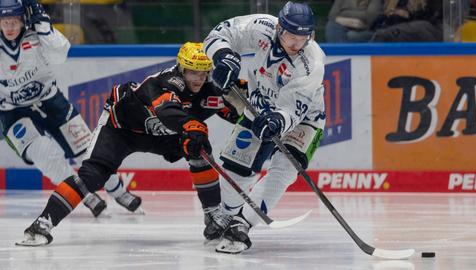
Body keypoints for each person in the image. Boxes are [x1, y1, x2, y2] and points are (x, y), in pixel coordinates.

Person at [16, 42, 242, 246]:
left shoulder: (212, 88)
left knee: (200, 150)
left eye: (203, 73)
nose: (198, 79)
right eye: (193, 72)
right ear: (181, 69)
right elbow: (167, 111)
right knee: (92, 175)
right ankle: (43, 223)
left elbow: (238, 109)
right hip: (120, 129)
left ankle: (213, 215)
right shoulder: (163, 83)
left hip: (162, 135)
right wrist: (192, 127)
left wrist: (249, 105)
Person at [203, 1, 326, 254]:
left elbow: (294, 107)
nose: (296, 44)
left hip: (304, 118)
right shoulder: (262, 26)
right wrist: (222, 56)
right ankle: (227, 215)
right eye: (291, 36)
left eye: (303, 38)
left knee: (286, 168)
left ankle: (242, 224)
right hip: (258, 106)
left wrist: (278, 120)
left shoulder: (312, 62)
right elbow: (219, 34)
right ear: (279, 28)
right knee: (236, 165)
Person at [0, 0, 141, 218]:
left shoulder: (37, 33)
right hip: (11, 112)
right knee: (44, 153)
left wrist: (44, 25)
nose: (9, 27)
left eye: (14, 21)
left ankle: (118, 191)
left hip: (50, 100)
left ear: (23, 20)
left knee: (88, 148)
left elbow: (60, 54)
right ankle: (84, 195)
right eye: (4, 21)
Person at [370, 0, 443, 42]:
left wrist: (409, 15)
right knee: (366, 36)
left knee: (384, 35)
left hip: (429, 29)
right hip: (389, 26)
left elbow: (430, 18)